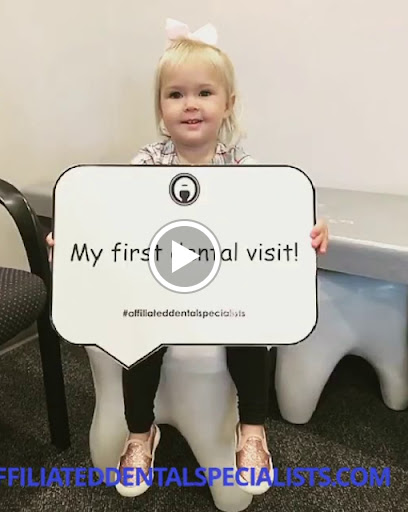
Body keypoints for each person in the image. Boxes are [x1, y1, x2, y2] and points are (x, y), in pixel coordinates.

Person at [47, 18, 329, 498]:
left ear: (228, 104)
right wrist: (74, 241)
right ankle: (141, 433)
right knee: (138, 338)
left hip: (221, 288)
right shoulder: (147, 162)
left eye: (204, 93)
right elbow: (113, 217)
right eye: (176, 94)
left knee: (251, 333)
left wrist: (308, 234)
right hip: (161, 287)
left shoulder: (242, 166)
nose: (190, 104)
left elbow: (275, 219)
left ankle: (252, 428)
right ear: (161, 107)